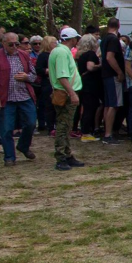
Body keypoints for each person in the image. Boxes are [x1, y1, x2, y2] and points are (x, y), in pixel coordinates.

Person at [0, 32, 38, 166]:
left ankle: (23, 146)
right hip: (6, 98)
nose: (14, 46)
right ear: (3, 43)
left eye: (17, 44)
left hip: (24, 96)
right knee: (6, 128)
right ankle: (9, 156)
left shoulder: (24, 55)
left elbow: (34, 74)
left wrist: (26, 77)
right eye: (11, 44)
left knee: (31, 123)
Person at [49, 28, 85, 171]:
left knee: (66, 125)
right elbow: (62, 76)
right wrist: (72, 93)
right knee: (64, 126)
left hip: (65, 92)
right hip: (65, 93)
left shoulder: (60, 51)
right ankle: (61, 157)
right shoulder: (62, 53)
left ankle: (67, 154)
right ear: (73, 39)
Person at [98, 18, 125, 145]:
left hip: (105, 75)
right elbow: (110, 57)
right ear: (118, 26)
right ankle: (108, 134)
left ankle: (106, 132)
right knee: (114, 105)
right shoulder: (113, 39)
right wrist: (119, 72)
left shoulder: (104, 39)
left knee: (108, 104)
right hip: (112, 75)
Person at [75, 35, 102, 141]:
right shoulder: (91, 54)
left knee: (86, 108)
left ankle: (84, 131)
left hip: (83, 84)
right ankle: (86, 133)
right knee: (89, 109)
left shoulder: (80, 55)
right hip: (90, 85)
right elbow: (90, 67)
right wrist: (100, 65)